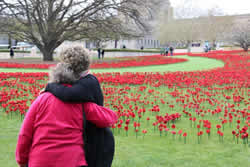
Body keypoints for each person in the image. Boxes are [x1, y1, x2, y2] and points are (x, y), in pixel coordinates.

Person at [16, 62, 118, 167]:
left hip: (41, 160)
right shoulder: (82, 103)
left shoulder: (41, 99)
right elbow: (110, 118)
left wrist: (22, 160)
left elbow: (25, 134)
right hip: (72, 161)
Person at [45, 46, 115, 167]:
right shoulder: (87, 80)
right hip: (92, 138)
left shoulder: (88, 82)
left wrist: (49, 87)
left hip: (97, 143)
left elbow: (68, 94)